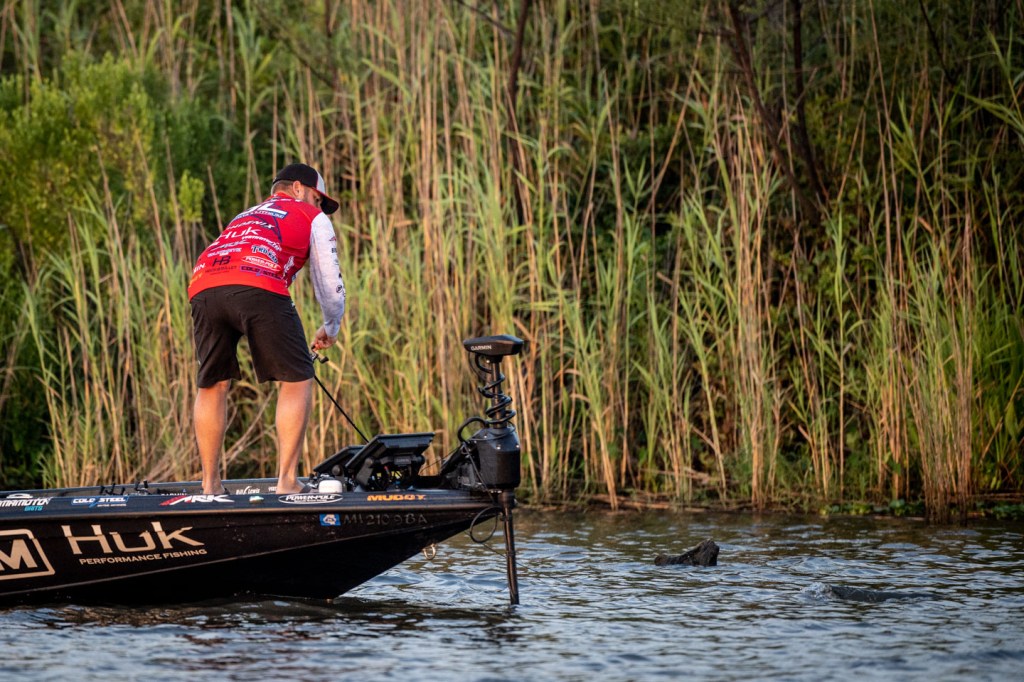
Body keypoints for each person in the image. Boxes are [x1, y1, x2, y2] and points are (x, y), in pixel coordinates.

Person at [188, 163, 346, 494]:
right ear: (299, 189)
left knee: (213, 383)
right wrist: (331, 327)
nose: (319, 207)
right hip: (257, 281)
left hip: (203, 284)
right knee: (297, 377)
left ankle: (210, 485)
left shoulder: (246, 215)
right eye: (318, 199)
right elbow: (329, 283)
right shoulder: (311, 216)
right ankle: (287, 481)